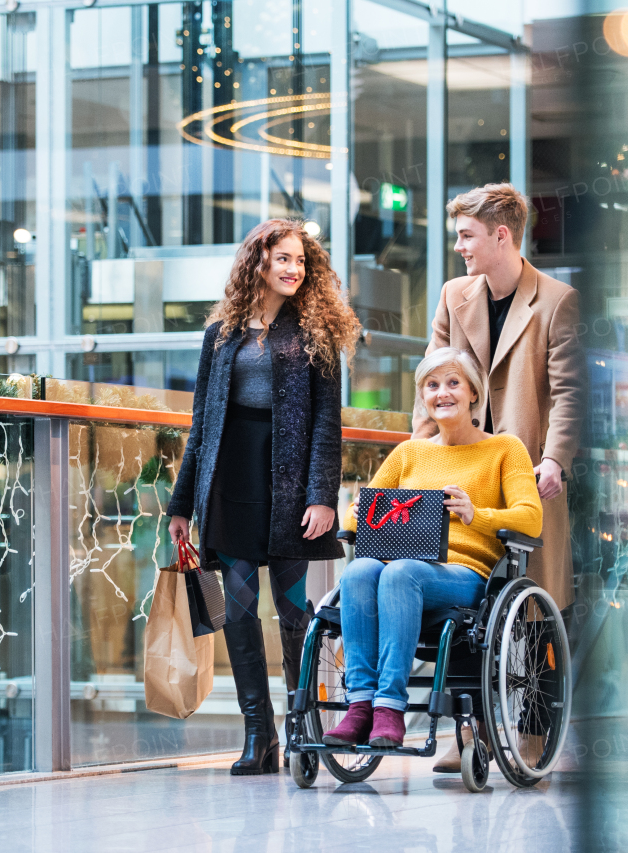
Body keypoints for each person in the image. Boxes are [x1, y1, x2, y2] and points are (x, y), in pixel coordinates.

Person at [168, 218, 361, 775]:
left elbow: (329, 423)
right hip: (227, 487)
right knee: (237, 612)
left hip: (289, 488)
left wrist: (322, 496)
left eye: (300, 260)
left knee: (295, 615)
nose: (293, 268)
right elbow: (201, 423)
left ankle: (303, 729)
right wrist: (182, 504)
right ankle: (260, 737)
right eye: (282, 258)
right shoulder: (222, 334)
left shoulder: (316, 333)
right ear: (258, 261)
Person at [413, 183, 584, 771]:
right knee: (463, 611)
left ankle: (530, 742)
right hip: (456, 470)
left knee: (531, 613)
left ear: (501, 236)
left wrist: (555, 459)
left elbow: (568, 394)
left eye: (466, 236)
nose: (458, 247)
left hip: (522, 477)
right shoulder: (455, 295)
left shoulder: (557, 301)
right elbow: (430, 382)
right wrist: (418, 458)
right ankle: (470, 740)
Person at [322, 347, 543, 748]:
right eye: (432, 385)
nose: (442, 393)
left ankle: (389, 707)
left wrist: (479, 514)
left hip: (468, 577)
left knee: (399, 572)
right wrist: (359, 511)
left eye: (453, 383)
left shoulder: (504, 450)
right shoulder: (409, 453)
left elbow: (531, 518)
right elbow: (358, 518)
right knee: (358, 571)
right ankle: (359, 707)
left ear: (474, 392)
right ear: (423, 396)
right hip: (401, 570)